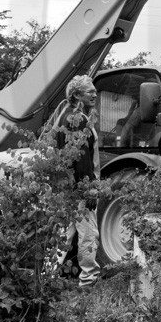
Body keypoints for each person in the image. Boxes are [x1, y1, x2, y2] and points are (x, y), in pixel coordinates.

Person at [52, 74, 101, 289]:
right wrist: (89, 188)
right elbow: (81, 158)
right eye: (90, 91)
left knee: (64, 233)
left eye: (95, 91)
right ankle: (88, 279)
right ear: (77, 95)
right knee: (88, 234)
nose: (95, 94)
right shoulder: (78, 119)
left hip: (67, 186)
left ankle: (46, 276)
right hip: (80, 186)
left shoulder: (64, 115)